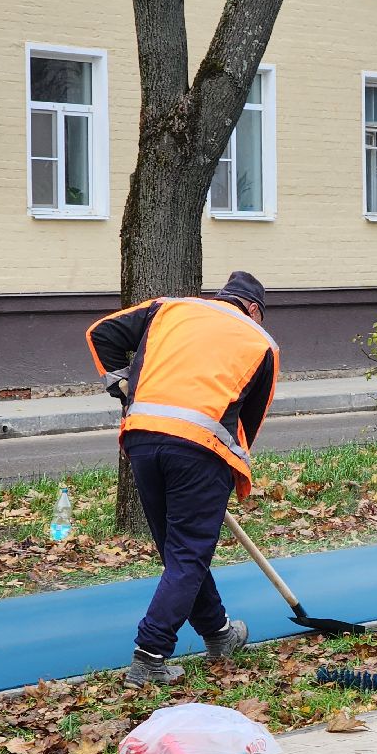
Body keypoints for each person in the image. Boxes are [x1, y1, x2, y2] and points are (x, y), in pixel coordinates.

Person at [86, 271, 279, 686]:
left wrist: (124, 388)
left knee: (180, 554)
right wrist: (227, 471)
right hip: (200, 448)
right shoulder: (261, 342)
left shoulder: (170, 308)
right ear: (253, 309)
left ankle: (218, 633)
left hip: (141, 437)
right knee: (189, 554)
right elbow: (249, 422)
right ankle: (149, 656)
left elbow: (100, 333)